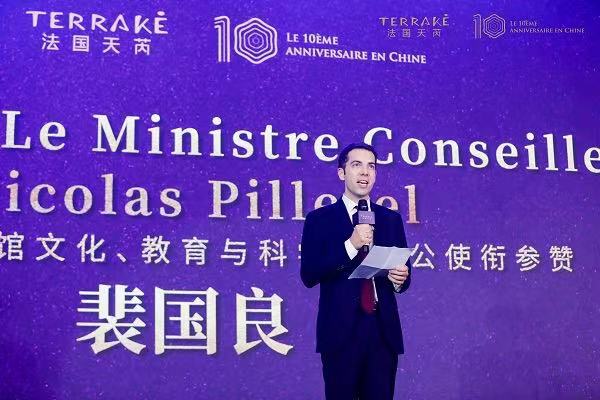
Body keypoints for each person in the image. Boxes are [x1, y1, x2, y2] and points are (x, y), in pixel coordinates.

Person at [300, 142, 411, 400]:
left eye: (371, 166)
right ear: (342, 172)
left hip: (382, 332)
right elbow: (309, 274)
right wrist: (351, 245)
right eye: (357, 165)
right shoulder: (320, 219)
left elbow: (405, 278)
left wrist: (399, 278)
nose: (364, 172)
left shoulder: (390, 219)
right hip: (341, 333)